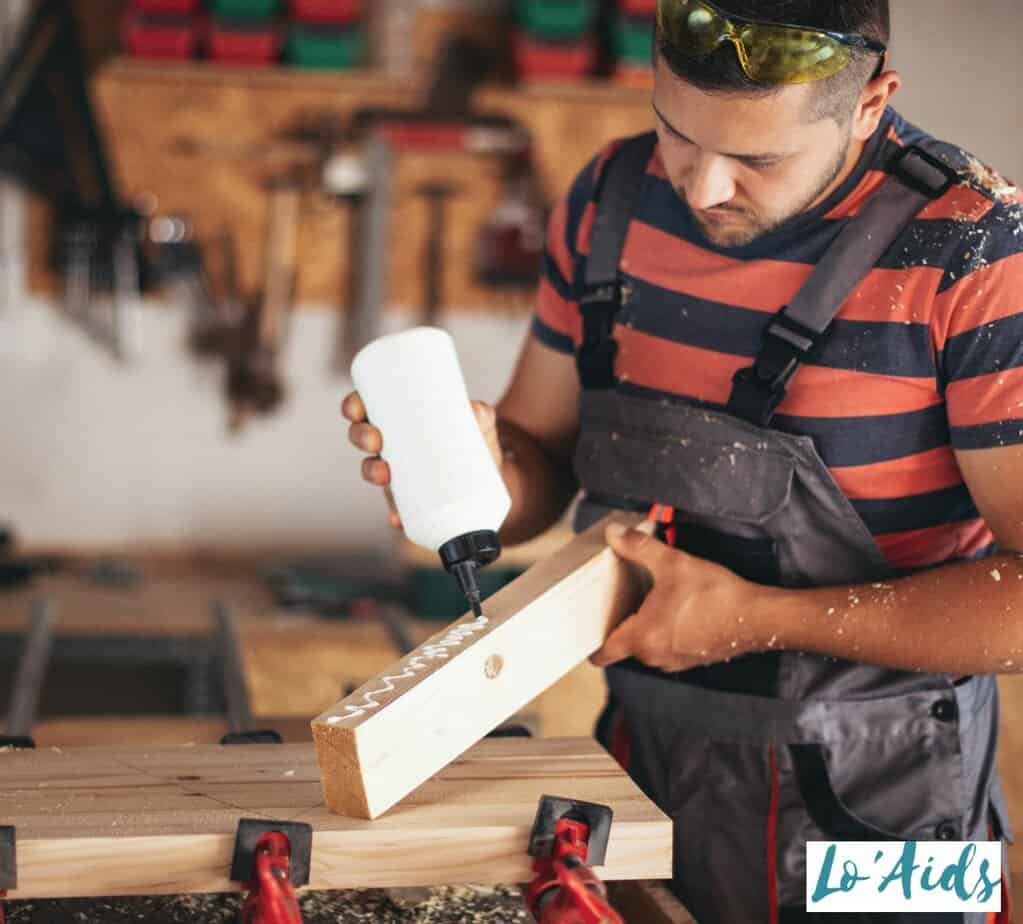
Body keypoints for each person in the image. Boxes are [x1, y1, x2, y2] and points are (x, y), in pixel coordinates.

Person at [344, 1, 1023, 920]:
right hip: (643, 764)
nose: (701, 189)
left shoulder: (979, 252)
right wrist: (472, 473)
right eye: (675, 132)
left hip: (895, 800)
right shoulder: (608, 198)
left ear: (870, 103)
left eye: (758, 159)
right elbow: (536, 470)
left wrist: (758, 617)